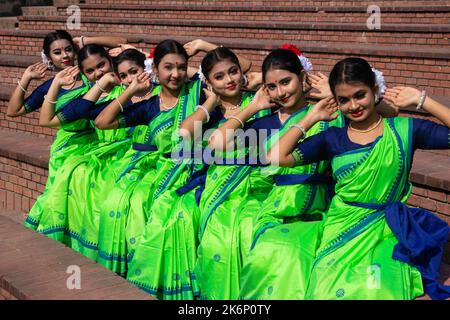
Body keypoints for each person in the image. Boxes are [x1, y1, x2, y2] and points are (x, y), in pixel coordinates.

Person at [268, 57, 450, 300]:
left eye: (360, 95)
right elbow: (276, 156)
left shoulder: (405, 129)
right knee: (325, 291)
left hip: (388, 230)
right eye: (343, 100)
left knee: (375, 288)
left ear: (375, 90)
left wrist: (422, 101)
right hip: (342, 228)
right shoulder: (332, 138)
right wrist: (311, 117)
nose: (353, 105)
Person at [196, 46, 343, 300]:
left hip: (317, 205)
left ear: (303, 77)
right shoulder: (266, 122)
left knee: (295, 256)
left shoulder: (327, 114)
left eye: (286, 82)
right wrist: (252, 108)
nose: (281, 92)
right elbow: (215, 144)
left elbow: (384, 113)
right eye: (272, 87)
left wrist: (337, 95)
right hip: (275, 205)